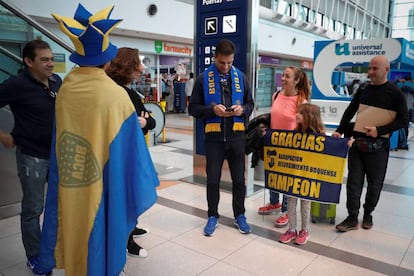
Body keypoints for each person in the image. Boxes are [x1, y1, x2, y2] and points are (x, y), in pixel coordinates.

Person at [36, 4, 159, 276]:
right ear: (106, 60)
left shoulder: (66, 87)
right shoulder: (115, 96)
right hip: (102, 182)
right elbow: (132, 159)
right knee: (102, 229)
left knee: (76, 228)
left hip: (71, 181)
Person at [0, 39, 62, 274]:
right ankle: (34, 255)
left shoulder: (57, 82)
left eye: (52, 59)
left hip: (57, 156)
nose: (50, 64)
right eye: (44, 59)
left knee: (58, 205)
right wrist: (3, 137)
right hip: (32, 157)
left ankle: (53, 247)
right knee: (33, 209)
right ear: (28, 61)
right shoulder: (16, 85)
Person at [333, 55, 408, 232]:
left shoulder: (395, 93)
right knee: (354, 182)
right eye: (370, 68)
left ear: (386, 70)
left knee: (375, 183)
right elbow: (350, 110)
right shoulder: (364, 89)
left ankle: (368, 214)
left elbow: (404, 120)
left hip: (379, 147)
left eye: (375, 69)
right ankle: (352, 217)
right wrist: (340, 130)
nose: (371, 72)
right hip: (358, 144)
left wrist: (379, 131)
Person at [188, 39, 254, 236]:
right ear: (215, 57)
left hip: (236, 137)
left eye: (229, 63)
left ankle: (239, 215)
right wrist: (211, 109)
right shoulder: (202, 78)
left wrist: (242, 109)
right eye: (222, 62)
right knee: (213, 180)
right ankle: (212, 215)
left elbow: (250, 104)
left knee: (239, 181)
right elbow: (193, 108)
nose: (225, 67)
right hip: (214, 138)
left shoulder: (240, 77)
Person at [105, 47, 156, 258]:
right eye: (138, 63)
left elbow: (150, 120)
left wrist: (144, 121)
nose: (142, 68)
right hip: (120, 156)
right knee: (124, 195)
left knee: (129, 193)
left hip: (130, 153)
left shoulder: (129, 91)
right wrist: (143, 121)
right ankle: (126, 240)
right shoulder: (117, 93)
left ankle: (130, 227)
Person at [258, 66, 310, 228]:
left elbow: (306, 127)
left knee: (288, 180)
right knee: (273, 174)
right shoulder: (276, 95)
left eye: (287, 76)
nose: (282, 79)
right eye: (283, 75)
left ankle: (287, 211)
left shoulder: (302, 101)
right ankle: (274, 202)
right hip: (274, 144)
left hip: (291, 149)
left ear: (297, 80)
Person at [279, 103, 325, 244]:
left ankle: (304, 230)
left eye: (300, 113)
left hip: (308, 176)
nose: (296, 115)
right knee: (291, 201)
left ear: (309, 117)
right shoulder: (295, 133)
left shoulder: (319, 136)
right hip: (294, 173)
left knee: (305, 203)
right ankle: (292, 229)